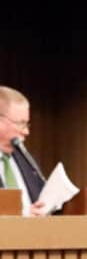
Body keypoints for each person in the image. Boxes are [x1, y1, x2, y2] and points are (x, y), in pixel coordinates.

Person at [0, 85, 47, 216]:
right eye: (21, 123)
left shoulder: (27, 160)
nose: (26, 131)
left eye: (27, 124)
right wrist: (23, 216)